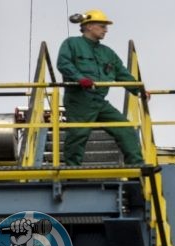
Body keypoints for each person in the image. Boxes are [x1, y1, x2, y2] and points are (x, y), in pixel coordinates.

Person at [57, 9, 144, 166]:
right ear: (89, 26)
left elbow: (122, 73)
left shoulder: (107, 53)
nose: (106, 30)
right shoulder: (72, 44)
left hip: (99, 101)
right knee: (78, 135)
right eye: (102, 26)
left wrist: (139, 90)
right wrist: (79, 78)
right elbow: (63, 63)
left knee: (125, 128)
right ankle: (71, 173)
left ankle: (137, 166)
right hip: (79, 101)